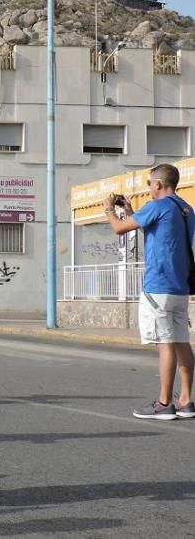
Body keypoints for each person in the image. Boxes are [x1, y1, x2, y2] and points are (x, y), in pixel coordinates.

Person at [104, 163, 195, 420]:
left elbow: (119, 228)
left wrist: (109, 209)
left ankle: (165, 403)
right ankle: (186, 400)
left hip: (159, 286)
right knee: (180, 341)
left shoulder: (156, 206)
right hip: (180, 286)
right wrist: (131, 211)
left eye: (149, 184)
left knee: (164, 343)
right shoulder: (186, 209)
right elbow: (155, 230)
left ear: (158, 184)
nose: (148, 188)